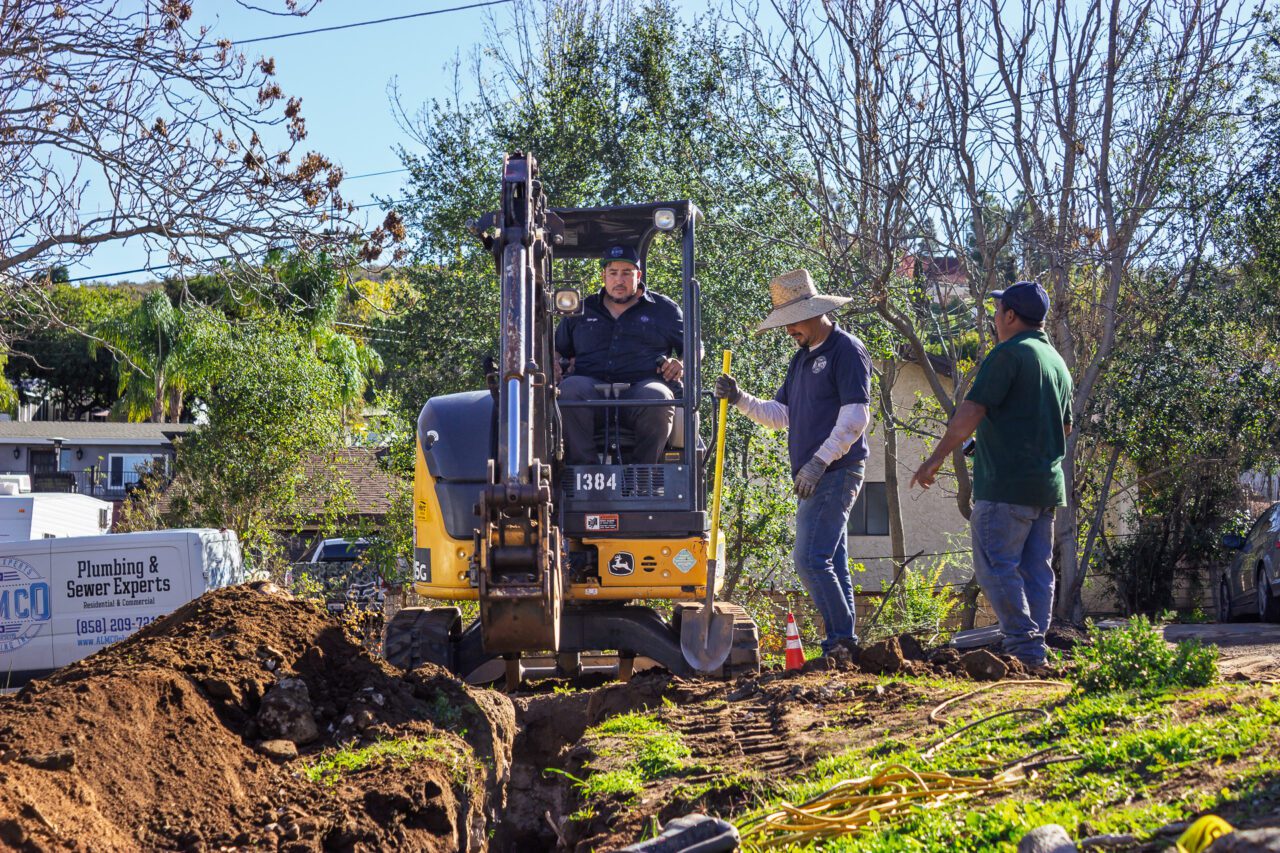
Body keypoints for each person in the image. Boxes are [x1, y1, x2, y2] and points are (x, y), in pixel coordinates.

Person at [909, 280, 1073, 671]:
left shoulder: (1008, 354)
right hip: (1044, 489)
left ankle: (1024, 646)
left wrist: (933, 460)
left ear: (1011, 316)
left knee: (995, 566)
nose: (995, 318)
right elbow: (1063, 427)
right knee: (1037, 571)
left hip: (1004, 489)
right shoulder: (1056, 363)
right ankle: (1035, 651)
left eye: (998, 311)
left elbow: (969, 414)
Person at [714, 269, 871, 657]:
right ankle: (844, 644)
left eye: (793, 322)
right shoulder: (800, 360)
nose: (789, 332)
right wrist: (740, 399)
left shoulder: (845, 350)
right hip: (817, 473)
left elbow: (856, 419)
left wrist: (818, 462)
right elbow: (780, 415)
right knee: (831, 559)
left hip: (836, 470)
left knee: (809, 559)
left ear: (815, 311)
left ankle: (840, 640)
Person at [555, 245, 684, 465]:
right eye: (613, 273)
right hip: (591, 392)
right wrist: (554, 362)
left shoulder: (664, 310)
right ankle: (586, 474)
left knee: (658, 397)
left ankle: (642, 478)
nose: (619, 280)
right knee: (569, 390)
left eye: (626, 273)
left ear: (638, 275)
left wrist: (681, 363)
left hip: (640, 390)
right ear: (603, 276)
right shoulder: (581, 310)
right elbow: (557, 348)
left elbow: (693, 348)